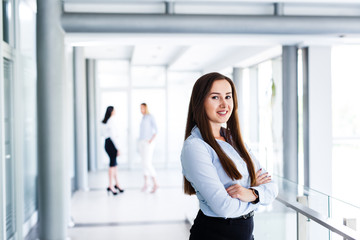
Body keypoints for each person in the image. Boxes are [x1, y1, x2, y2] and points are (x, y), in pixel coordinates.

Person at [181, 72, 278, 240]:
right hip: (215, 234)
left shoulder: (233, 139)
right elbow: (223, 207)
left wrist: (252, 194)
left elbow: (272, 187)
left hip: (246, 232)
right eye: (215, 97)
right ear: (200, 101)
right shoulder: (195, 147)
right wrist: (257, 195)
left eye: (228, 96)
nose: (224, 104)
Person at [101, 106, 124, 195]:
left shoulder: (105, 122)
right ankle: (111, 185)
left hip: (107, 143)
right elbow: (113, 136)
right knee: (112, 164)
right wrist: (118, 148)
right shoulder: (111, 121)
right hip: (111, 144)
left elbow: (102, 134)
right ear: (111, 111)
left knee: (114, 164)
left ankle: (116, 184)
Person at [139, 103, 159, 193]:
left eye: (142, 108)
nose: (141, 110)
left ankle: (155, 183)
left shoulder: (150, 117)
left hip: (148, 142)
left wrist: (151, 140)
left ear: (146, 108)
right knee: (143, 163)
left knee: (147, 162)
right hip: (142, 142)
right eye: (140, 108)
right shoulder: (143, 118)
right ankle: (146, 183)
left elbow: (156, 130)